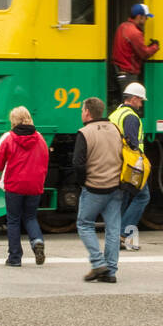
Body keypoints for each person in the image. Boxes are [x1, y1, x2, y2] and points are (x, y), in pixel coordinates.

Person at [71, 97, 122, 283]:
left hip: (94, 188)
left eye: (82, 110)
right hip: (116, 187)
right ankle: (110, 271)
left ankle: (98, 262)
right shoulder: (116, 129)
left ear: (87, 112)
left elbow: (77, 163)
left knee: (84, 224)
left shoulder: (85, 133)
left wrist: (83, 182)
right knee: (113, 229)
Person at [0, 106, 49, 266]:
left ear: (13, 120)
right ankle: (37, 241)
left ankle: (15, 258)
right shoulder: (40, 138)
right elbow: (45, 160)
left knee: (13, 220)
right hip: (34, 185)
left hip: (14, 185)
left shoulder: (8, 138)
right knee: (30, 217)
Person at [111, 82, 150, 247]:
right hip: (130, 165)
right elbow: (133, 143)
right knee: (142, 196)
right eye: (140, 100)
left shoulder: (115, 114)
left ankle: (115, 236)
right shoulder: (131, 117)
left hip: (116, 161)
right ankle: (122, 234)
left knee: (124, 197)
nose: (141, 104)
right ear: (133, 99)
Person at [112, 3, 159, 96]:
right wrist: (155, 46)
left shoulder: (122, 26)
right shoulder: (135, 33)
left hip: (119, 71)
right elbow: (144, 54)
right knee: (131, 102)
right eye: (146, 17)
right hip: (128, 74)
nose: (146, 20)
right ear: (139, 17)